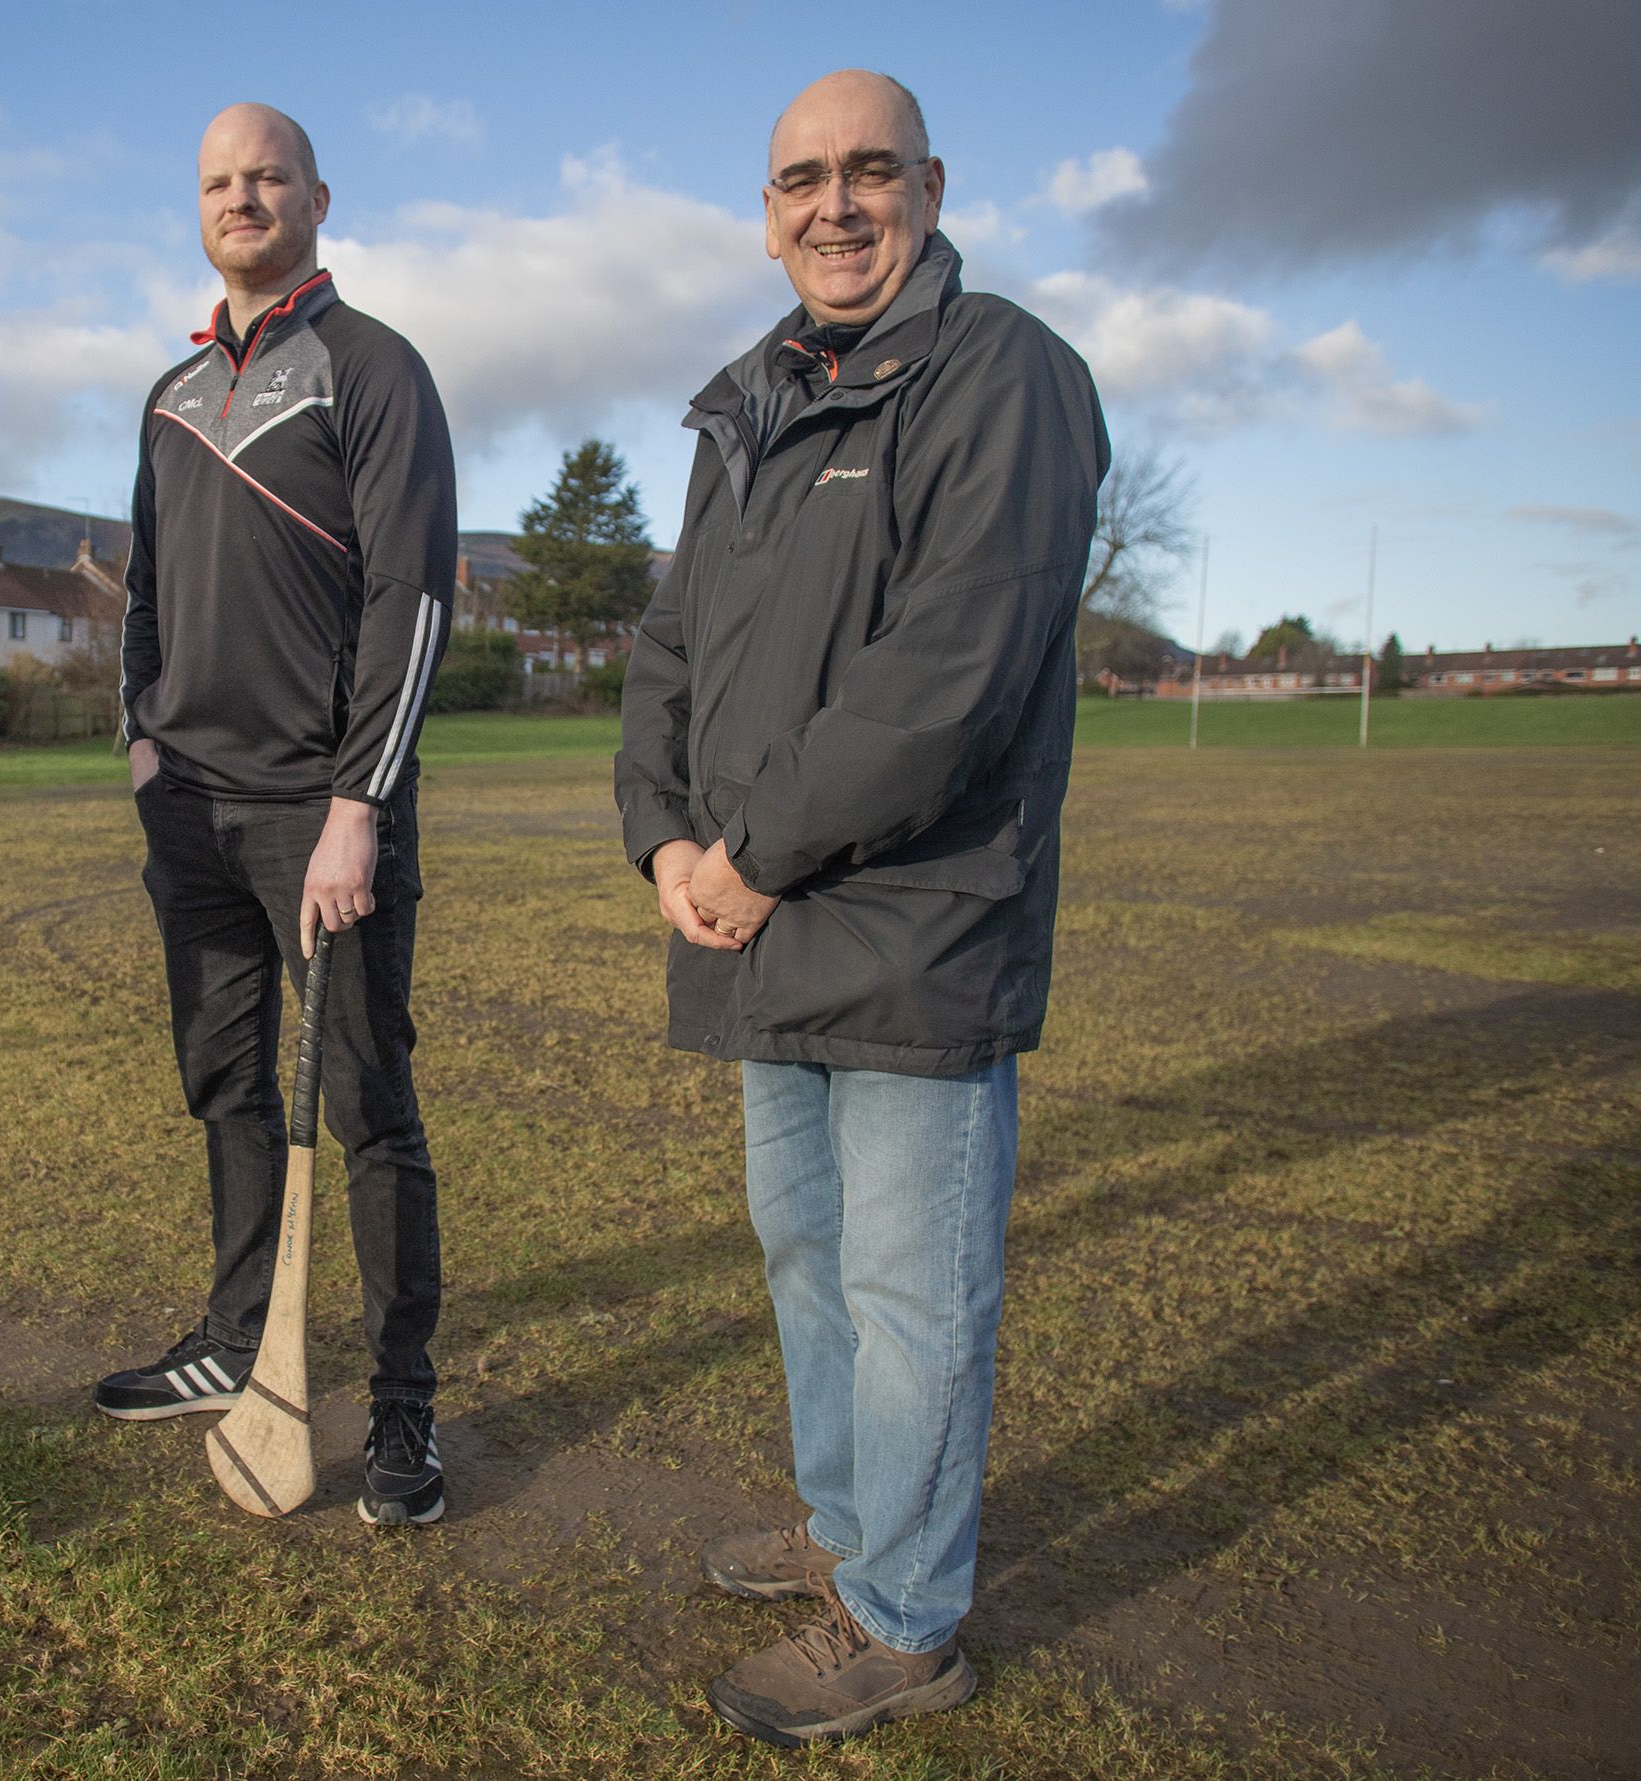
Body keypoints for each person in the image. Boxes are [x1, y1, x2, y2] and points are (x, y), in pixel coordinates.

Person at [615, 71, 1109, 1744]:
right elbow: (670, 654)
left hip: (911, 921)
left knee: (912, 1296)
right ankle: (844, 1531)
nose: (836, 205)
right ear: (767, 213)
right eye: (802, 179)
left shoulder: (1008, 378)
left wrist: (748, 860)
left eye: (869, 171)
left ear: (929, 185)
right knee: (809, 1261)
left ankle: (904, 1618)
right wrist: (664, 845)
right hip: (756, 921)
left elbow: (947, 678)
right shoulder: (747, 402)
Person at [103, 103, 460, 1527]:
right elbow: (139, 595)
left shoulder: (373, 368)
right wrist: (143, 750)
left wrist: (360, 801)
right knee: (227, 1088)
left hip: (326, 817)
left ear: (318, 195)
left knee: (370, 1107)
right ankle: (238, 1346)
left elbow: (412, 602)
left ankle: (402, 1413)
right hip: (188, 815)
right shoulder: (170, 393)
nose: (242, 197)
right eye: (217, 181)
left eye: (267, 177)